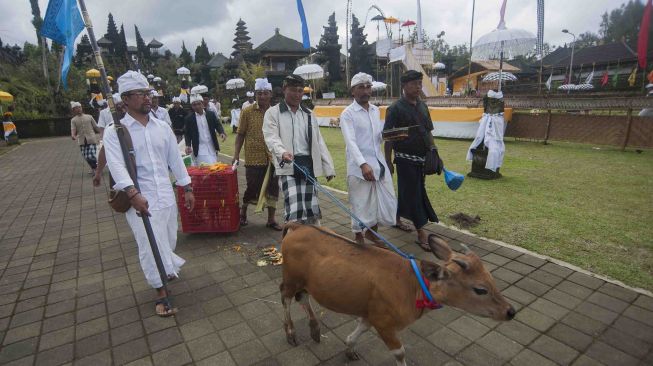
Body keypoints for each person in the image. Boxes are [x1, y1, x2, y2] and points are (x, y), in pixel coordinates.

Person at [103, 70, 195, 317]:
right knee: (149, 244)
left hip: (165, 195)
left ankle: (166, 272)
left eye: (148, 93)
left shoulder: (162, 127)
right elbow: (116, 165)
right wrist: (133, 194)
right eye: (141, 94)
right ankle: (161, 293)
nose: (147, 98)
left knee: (167, 239)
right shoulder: (116, 131)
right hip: (139, 198)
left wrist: (186, 187)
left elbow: (175, 159)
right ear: (126, 99)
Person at [263, 74, 335, 225]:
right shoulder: (273, 113)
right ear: (284, 89)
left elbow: (318, 141)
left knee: (311, 211)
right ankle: (292, 244)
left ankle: (310, 245)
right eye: (293, 90)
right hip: (288, 165)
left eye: (300, 91)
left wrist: (328, 167)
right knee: (294, 211)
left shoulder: (309, 114)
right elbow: (271, 137)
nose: (297, 94)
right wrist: (282, 152)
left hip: (308, 167)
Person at [384, 70, 441, 251]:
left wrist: (434, 152)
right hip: (403, 159)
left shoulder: (423, 107)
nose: (418, 87)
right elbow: (389, 138)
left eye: (419, 83)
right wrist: (388, 160)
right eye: (414, 84)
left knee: (410, 190)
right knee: (415, 194)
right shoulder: (394, 109)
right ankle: (421, 232)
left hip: (422, 159)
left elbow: (428, 131)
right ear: (404, 86)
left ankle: (396, 218)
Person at [340, 73, 397, 245]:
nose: (366, 91)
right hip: (359, 167)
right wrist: (363, 164)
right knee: (360, 202)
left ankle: (372, 233)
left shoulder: (375, 110)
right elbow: (351, 142)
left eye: (368, 86)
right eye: (361, 87)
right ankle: (358, 237)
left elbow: (375, 138)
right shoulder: (347, 114)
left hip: (377, 163)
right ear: (353, 91)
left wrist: (391, 135)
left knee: (380, 201)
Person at [233, 78, 282, 230]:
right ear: (255, 94)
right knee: (251, 187)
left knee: (273, 188)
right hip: (253, 157)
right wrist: (235, 155)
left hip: (273, 158)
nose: (262, 96)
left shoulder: (276, 112)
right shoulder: (247, 111)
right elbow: (240, 134)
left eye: (265, 93)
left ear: (270, 95)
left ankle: (271, 219)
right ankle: (243, 214)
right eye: (259, 93)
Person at [184, 94, 226, 165]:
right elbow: (187, 133)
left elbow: (217, 124)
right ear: (192, 106)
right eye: (194, 105)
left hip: (212, 147)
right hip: (199, 148)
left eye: (198, 104)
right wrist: (188, 145)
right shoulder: (189, 118)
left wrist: (221, 132)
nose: (197, 106)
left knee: (214, 166)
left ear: (202, 104)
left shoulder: (210, 114)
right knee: (205, 167)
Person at [93, 100, 127, 187]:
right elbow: (104, 151)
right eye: (119, 108)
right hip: (118, 169)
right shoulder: (111, 128)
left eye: (123, 107)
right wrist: (98, 173)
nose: (122, 111)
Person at [70, 101, 101, 174]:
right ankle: (94, 168)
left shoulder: (89, 117)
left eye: (79, 107)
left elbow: (96, 127)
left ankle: (96, 169)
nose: (79, 109)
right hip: (82, 141)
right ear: (74, 110)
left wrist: (103, 132)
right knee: (86, 157)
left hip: (91, 139)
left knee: (92, 156)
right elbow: (73, 129)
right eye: (76, 108)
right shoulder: (73, 120)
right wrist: (73, 135)